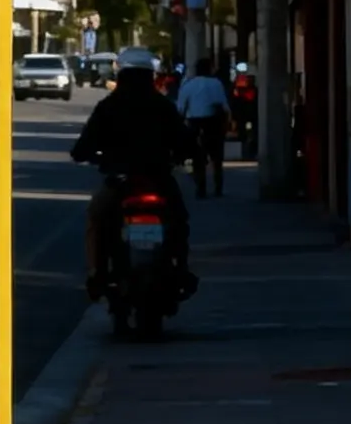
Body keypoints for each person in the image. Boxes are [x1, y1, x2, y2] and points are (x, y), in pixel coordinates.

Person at [71, 46, 193, 293]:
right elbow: (186, 142)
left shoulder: (109, 106)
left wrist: (89, 156)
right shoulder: (163, 106)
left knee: (97, 220)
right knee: (179, 219)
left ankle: (97, 272)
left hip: (121, 179)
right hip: (158, 179)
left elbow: (83, 147)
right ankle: (180, 268)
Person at [175, 54, 233, 198]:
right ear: (210, 69)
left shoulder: (188, 84)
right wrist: (228, 123)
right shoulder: (216, 84)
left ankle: (201, 188)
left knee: (197, 158)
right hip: (214, 123)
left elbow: (181, 108)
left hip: (194, 123)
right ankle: (218, 187)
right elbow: (224, 106)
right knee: (217, 158)